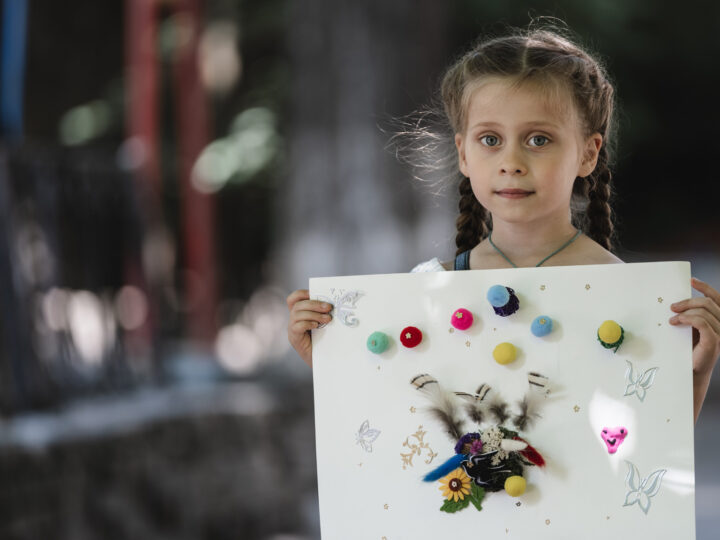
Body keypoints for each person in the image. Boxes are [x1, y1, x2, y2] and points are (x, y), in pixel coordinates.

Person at [286, 26, 720, 423]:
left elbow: (653, 446)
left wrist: (700, 363)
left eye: (538, 139)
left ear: (588, 153)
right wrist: (330, 357)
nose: (511, 163)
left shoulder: (629, 297)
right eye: (490, 140)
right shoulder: (430, 289)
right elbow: (400, 426)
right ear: (463, 154)